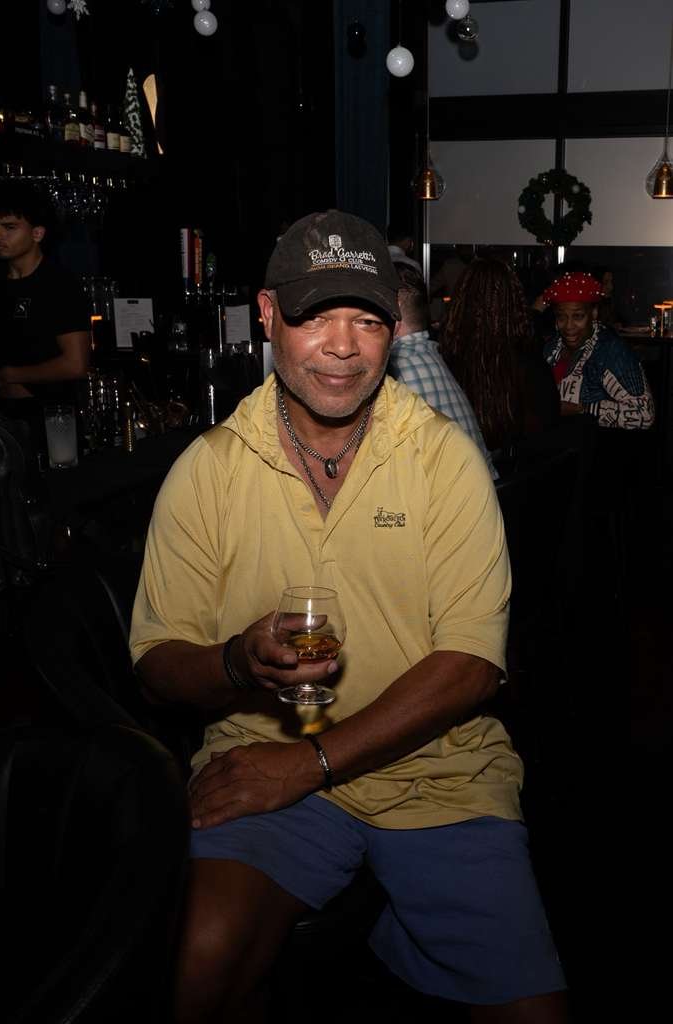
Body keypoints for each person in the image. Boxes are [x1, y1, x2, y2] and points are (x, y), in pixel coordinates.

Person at [130, 210, 568, 1023]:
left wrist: (313, 762)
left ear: (395, 329)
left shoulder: (442, 458)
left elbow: (471, 663)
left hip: (439, 774)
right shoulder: (209, 470)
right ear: (267, 317)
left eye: (367, 319)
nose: (343, 345)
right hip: (264, 764)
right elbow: (158, 662)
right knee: (194, 966)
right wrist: (236, 662)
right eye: (315, 316)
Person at [439, 257, 560, 461]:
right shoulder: (531, 365)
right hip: (521, 482)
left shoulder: (445, 361)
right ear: (514, 302)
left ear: (463, 301)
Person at [388, 261, 497, 477]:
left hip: (462, 502)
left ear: (394, 316)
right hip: (485, 490)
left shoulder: (397, 368)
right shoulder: (429, 352)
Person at [0, 180, 90, 404]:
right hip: (2, 419)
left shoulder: (59, 284)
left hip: (49, 418)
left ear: (37, 234)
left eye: (9, 227)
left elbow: (76, 365)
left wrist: (13, 375)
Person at [540, 271, 654, 430]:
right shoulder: (551, 347)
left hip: (592, 449)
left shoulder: (611, 350)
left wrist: (582, 409)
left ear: (593, 313)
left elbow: (644, 414)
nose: (568, 326)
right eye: (561, 317)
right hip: (552, 445)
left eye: (578, 316)